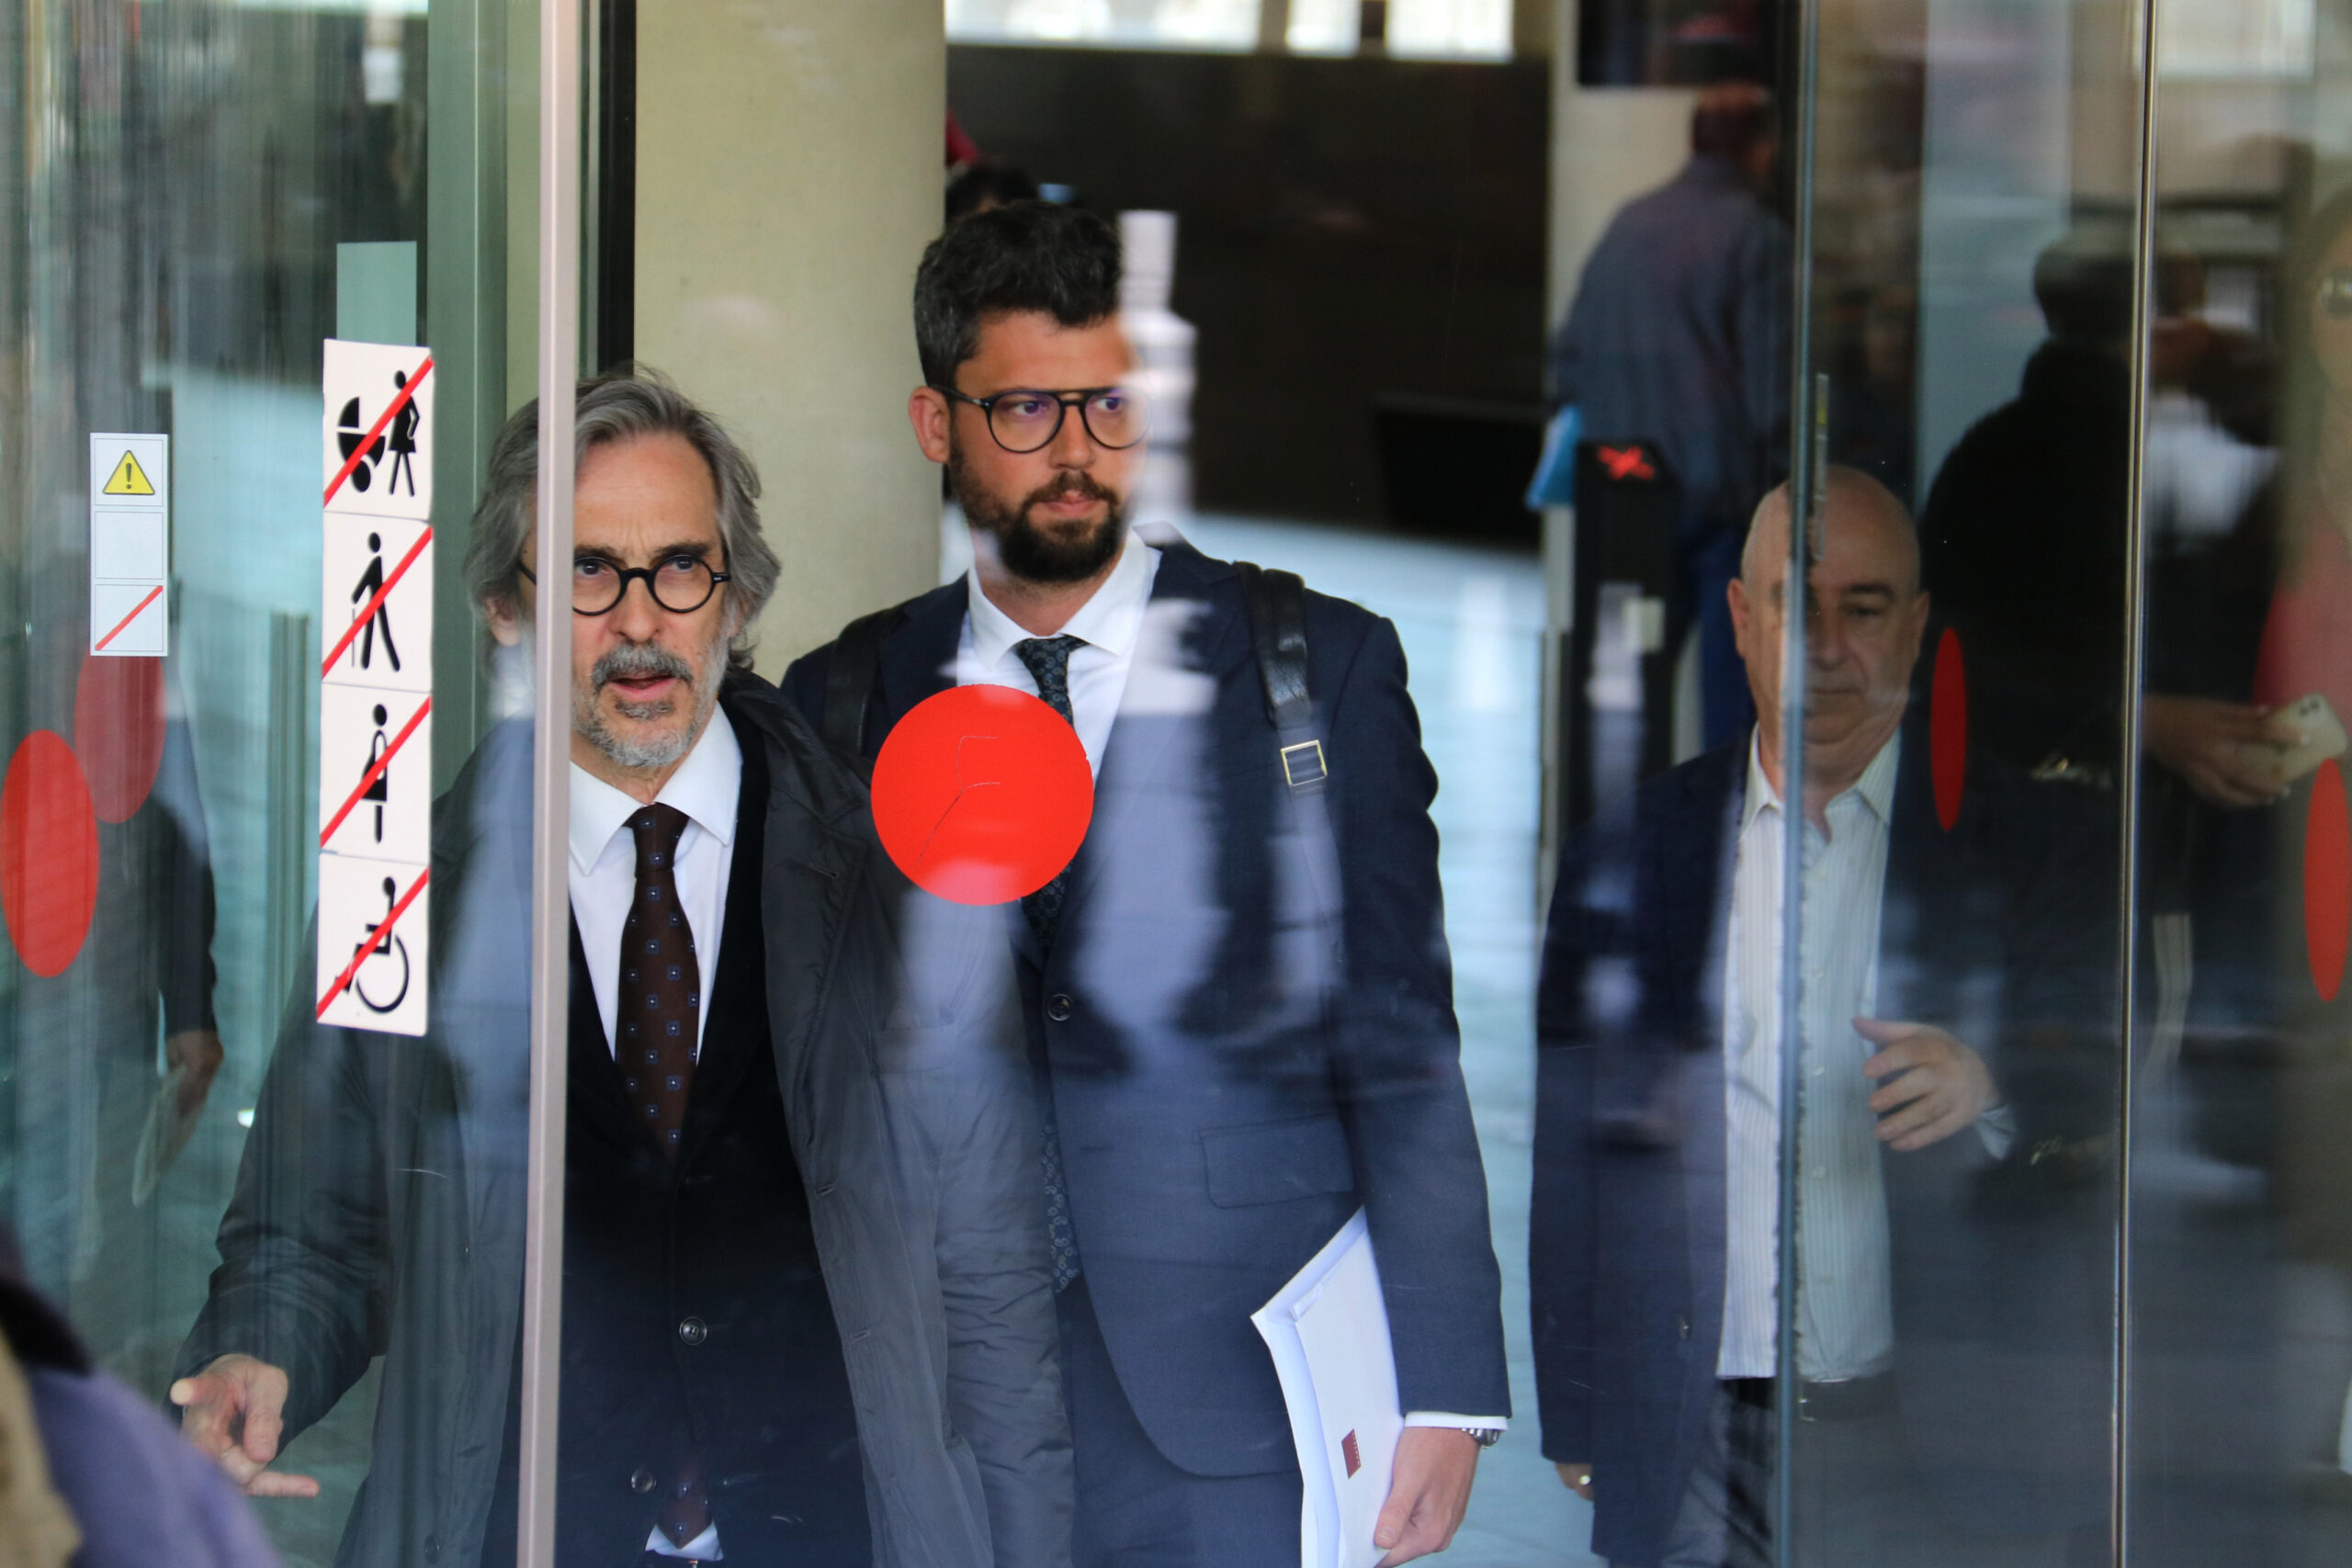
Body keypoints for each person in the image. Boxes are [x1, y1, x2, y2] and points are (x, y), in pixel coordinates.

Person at [170, 372, 1071, 1568]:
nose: (640, 620)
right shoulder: (396, 893)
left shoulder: (895, 891)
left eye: (680, 567)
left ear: (735, 595)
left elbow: (994, 1288)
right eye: (588, 570)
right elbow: (312, 1228)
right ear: (503, 607)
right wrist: (254, 1348)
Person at [781, 200, 1510, 1568]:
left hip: (1233, 1389)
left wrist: (1447, 1384)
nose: (1075, 454)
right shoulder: (847, 696)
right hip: (942, 1396)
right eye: (1027, 411)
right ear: (937, 424)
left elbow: (1404, 1038)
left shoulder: (1321, 666)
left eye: (1110, 405)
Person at [1530, 468, 2114, 1568]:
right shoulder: (1632, 847)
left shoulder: (2036, 840)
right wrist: (1576, 1398)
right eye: (1797, 605)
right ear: (1743, 620)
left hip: (1947, 1428)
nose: (1829, 647)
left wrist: (1993, 1076)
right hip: (1695, 1428)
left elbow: (2102, 1054)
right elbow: (1576, 1147)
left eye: (1866, 607)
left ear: (1918, 629)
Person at [1545, 83, 1791, 750]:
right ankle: (1715, 848)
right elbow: (1772, 390)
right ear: (1762, 150)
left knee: (1620, 705)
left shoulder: (1628, 223)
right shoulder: (1756, 236)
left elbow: (1567, 361)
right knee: (1732, 713)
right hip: (1718, 509)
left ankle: (1621, 841)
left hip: (1626, 497)